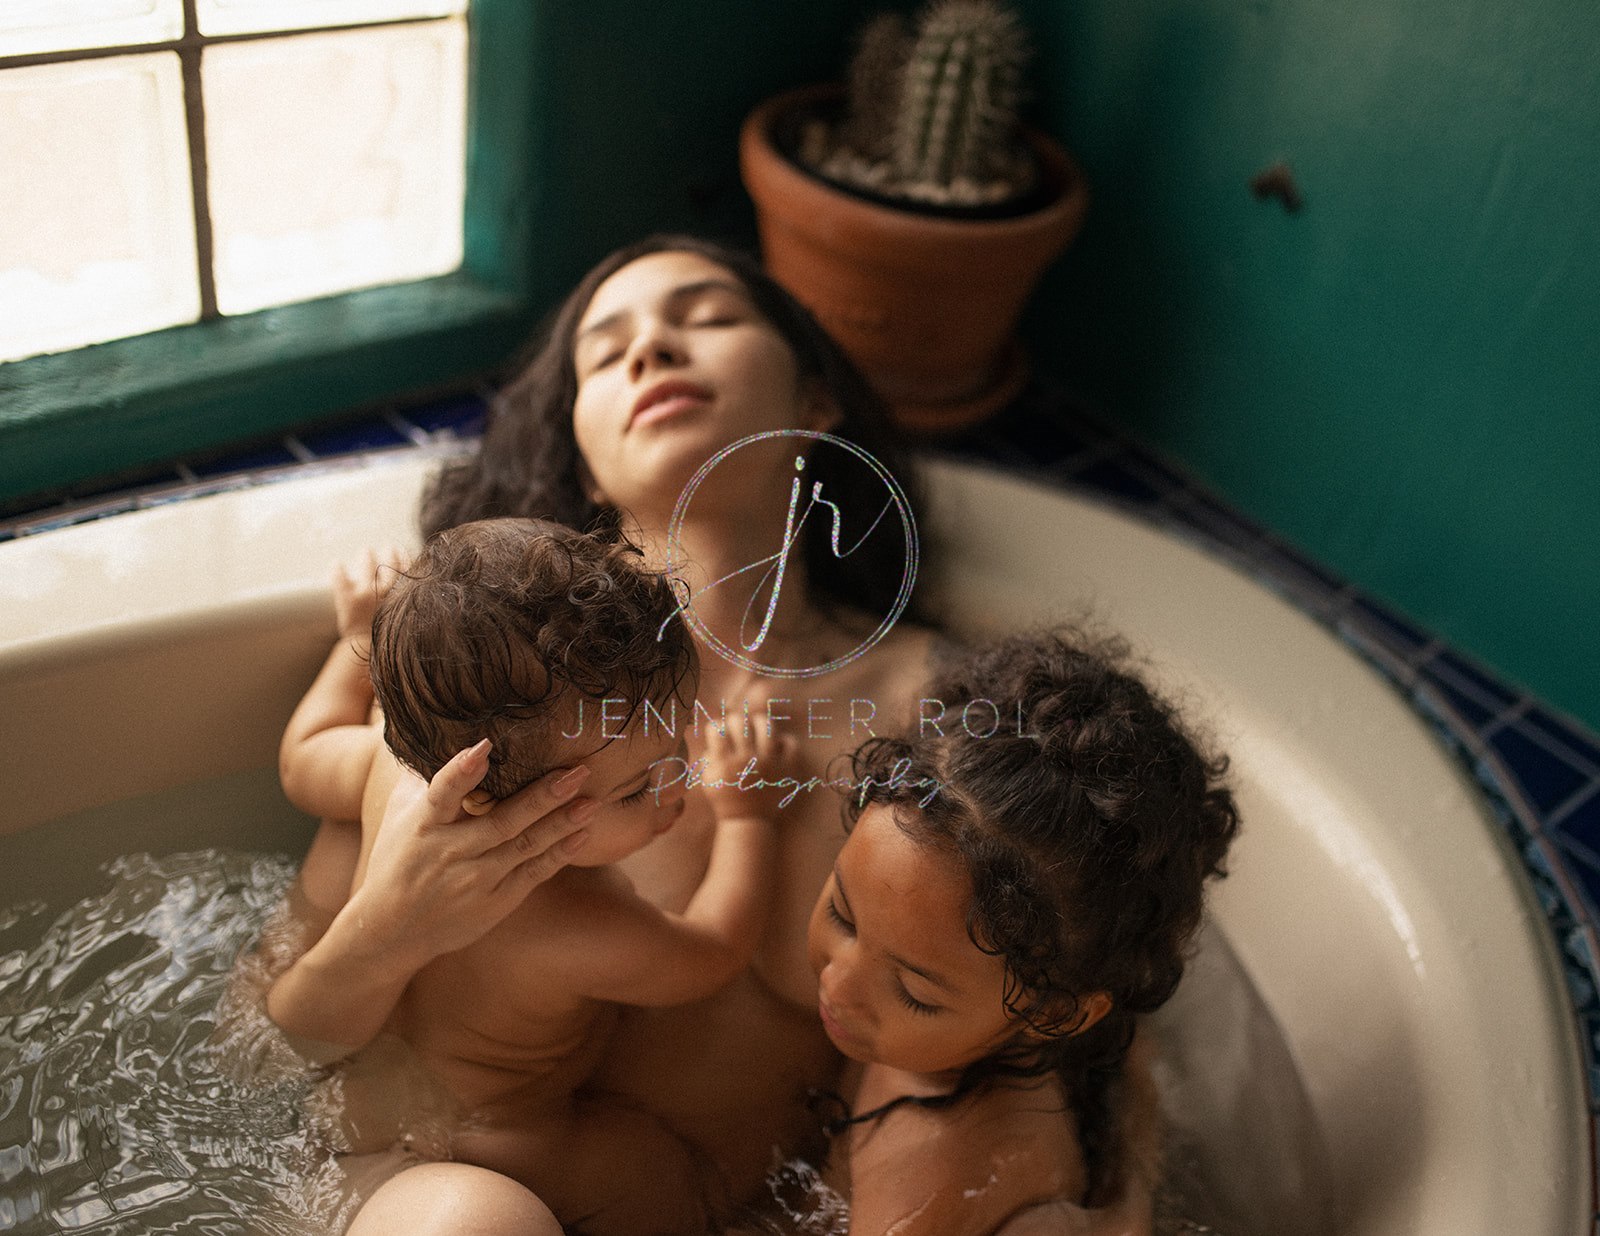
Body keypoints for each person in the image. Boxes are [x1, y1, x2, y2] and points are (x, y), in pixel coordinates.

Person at [270, 235, 1161, 1232]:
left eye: (705, 317)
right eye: (605, 354)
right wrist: (386, 930)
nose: (649, 349)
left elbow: (1066, 1005)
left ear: (814, 403)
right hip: (429, 1186)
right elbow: (267, 1040)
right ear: (582, 461)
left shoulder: (938, 717)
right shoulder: (488, 681)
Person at [270, 516, 796, 1235]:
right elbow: (710, 957)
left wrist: (352, 645)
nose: (682, 786)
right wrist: (747, 824)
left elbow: (302, 762)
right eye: (638, 788)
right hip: (485, 1147)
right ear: (494, 795)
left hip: (334, 1118)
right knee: (653, 1171)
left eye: (678, 745)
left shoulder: (391, 768)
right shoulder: (577, 921)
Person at [803, 629, 1240, 1235]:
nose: (838, 984)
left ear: (1057, 1013)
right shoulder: (1047, 1018)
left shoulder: (931, 1181)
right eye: (843, 916)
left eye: (915, 993)